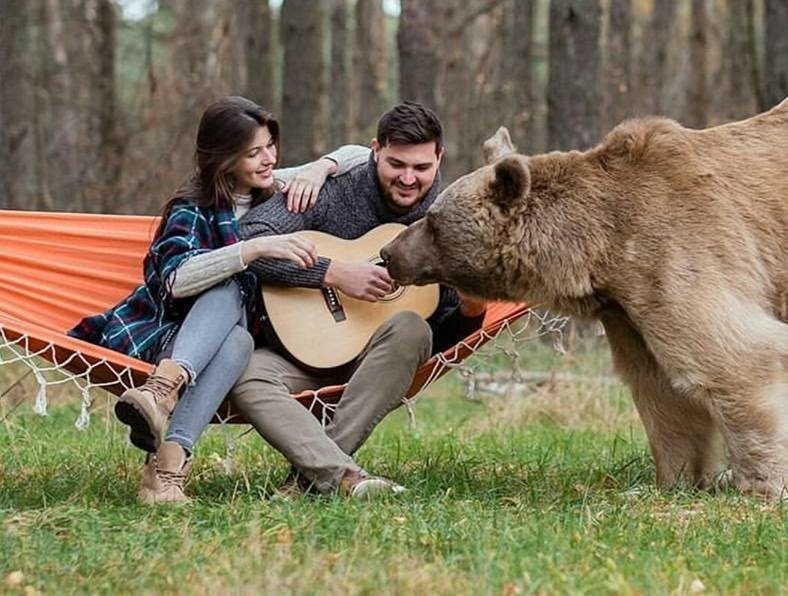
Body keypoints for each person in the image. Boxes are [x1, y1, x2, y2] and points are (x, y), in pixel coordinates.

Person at [69, 96, 369, 505]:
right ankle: (164, 422)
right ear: (224, 160)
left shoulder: (273, 185)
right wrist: (254, 249)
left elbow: (363, 155)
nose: (268, 158)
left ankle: (162, 446)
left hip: (226, 341)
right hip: (169, 332)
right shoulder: (192, 208)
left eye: (270, 146)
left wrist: (320, 169)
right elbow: (175, 280)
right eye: (253, 153)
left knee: (241, 342)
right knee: (229, 287)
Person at [230, 101, 487, 498]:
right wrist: (332, 273)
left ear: (440, 159)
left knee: (412, 328)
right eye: (395, 164)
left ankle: (313, 476)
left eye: (421, 168)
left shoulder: (451, 224)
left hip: (376, 368)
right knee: (244, 373)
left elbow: (444, 334)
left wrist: (474, 310)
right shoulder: (334, 191)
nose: (407, 178)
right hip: (296, 353)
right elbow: (248, 240)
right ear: (375, 151)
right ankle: (339, 476)